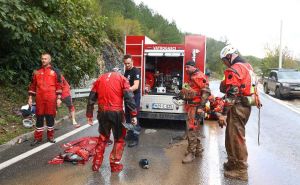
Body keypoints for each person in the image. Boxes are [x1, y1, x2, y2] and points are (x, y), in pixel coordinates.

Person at [218, 44, 260, 181]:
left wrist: (224, 113)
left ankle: (241, 170)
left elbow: (232, 93)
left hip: (238, 107)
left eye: (224, 60)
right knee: (231, 135)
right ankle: (232, 163)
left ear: (229, 56)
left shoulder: (236, 68)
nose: (224, 64)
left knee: (236, 137)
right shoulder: (248, 67)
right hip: (245, 105)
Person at [86, 70, 137, 173]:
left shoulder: (100, 78)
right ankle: (114, 166)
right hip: (116, 113)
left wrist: (89, 115)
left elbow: (91, 97)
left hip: (102, 112)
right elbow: (129, 97)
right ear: (118, 72)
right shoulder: (122, 78)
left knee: (103, 138)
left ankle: (96, 164)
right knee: (119, 139)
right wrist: (133, 115)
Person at [28, 53, 62, 146]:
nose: (43, 60)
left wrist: (59, 98)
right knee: (39, 118)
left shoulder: (55, 71)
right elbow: (32, 85)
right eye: (42, 59)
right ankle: (37, 138)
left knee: (50, 117)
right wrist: (30, 98)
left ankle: (50, 137)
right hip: (39, 98)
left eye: (45, 59)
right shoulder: (36, 72)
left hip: (51, 98)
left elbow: (59, 85)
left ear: (49, 60)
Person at [181, 60, 211, 164]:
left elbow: (206, 92)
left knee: (191, 130)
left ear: (194, 67)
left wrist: (200, 107)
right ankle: (198, 150)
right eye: (185, 67)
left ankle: (191, 153)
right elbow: (192, 90)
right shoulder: (192, 76)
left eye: (188, 67)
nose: (186, 69)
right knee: (194, 129)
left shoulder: (199, 76)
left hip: (195, 107)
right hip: (190, 106)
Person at [123, 54, 141, 147]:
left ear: (132, 62)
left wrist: (126, 91)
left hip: (134, 97)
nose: (127, 65)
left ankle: (135, 138)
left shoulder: (136, 71)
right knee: (128, 116)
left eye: (129, 63)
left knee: (134, 117)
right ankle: (130, 134)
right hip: (127, 97)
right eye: (126, 64)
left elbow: (136, 86)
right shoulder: (126, 71)